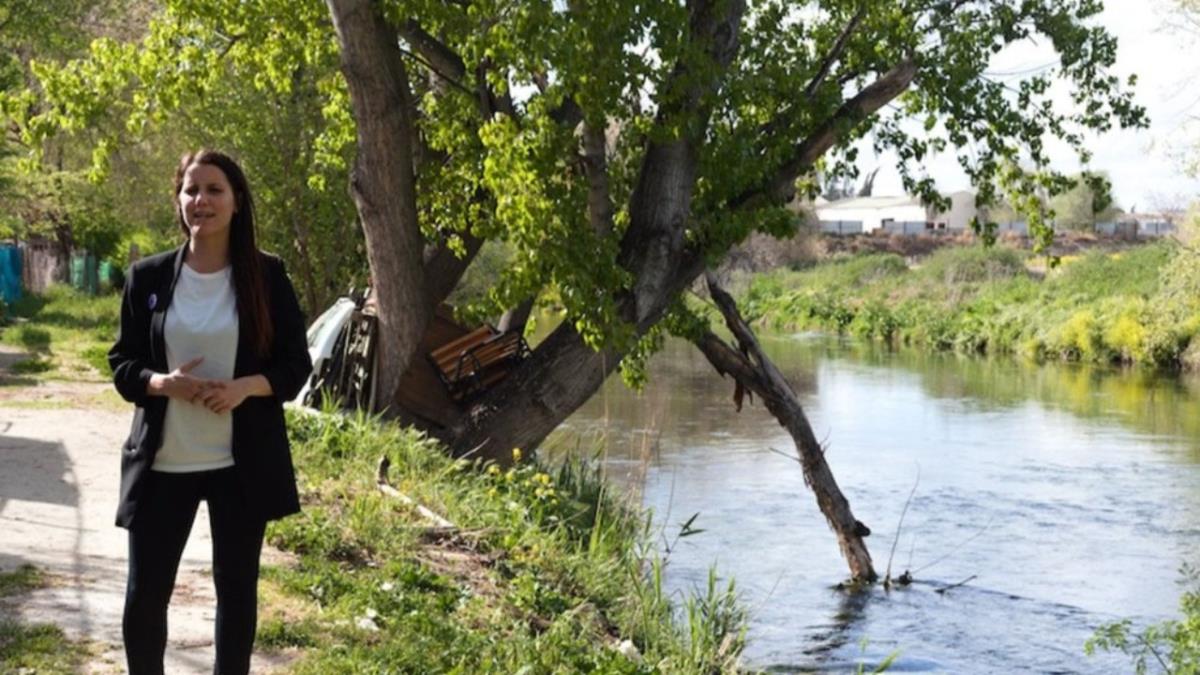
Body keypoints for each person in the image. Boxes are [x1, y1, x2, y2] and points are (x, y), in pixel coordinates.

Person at [108, 149, 313, 675]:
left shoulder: (266, 276)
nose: (201, 200)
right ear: (179, 202)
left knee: (237, 592)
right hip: (163, 463)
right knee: (145, 596)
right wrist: (161, 383)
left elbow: (296, 364)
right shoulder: (147, 277)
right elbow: (122, 364)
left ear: (237, 201)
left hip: (238, 464)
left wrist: (246, 387)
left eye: (214, 189)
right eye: (190, 190)